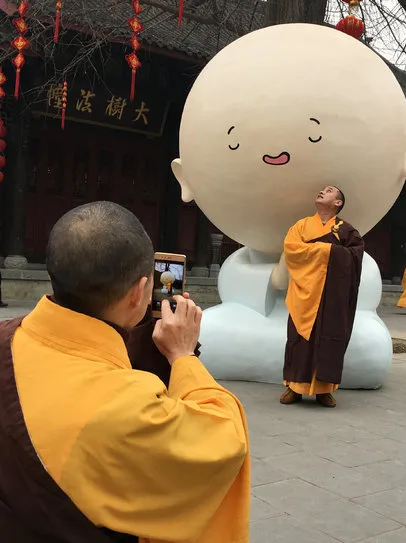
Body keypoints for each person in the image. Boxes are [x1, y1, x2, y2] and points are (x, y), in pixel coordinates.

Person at [0, 201, 250, 542]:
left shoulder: (6, 336)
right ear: (138, 294)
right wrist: (182, 356)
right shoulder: (127, 408)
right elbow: (226, 440)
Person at [277, 186, 364, 408]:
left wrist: (324, 250)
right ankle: (294, 387)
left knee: (330, 339)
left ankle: (325, 389)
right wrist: (326, 250)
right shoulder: (301, 226)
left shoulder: (347, 231)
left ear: (338, 203)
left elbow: (354, 257)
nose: (322, 192)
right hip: (304, 293)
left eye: (329, 191)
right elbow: (292, 250)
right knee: (299, 340)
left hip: (331, 295)